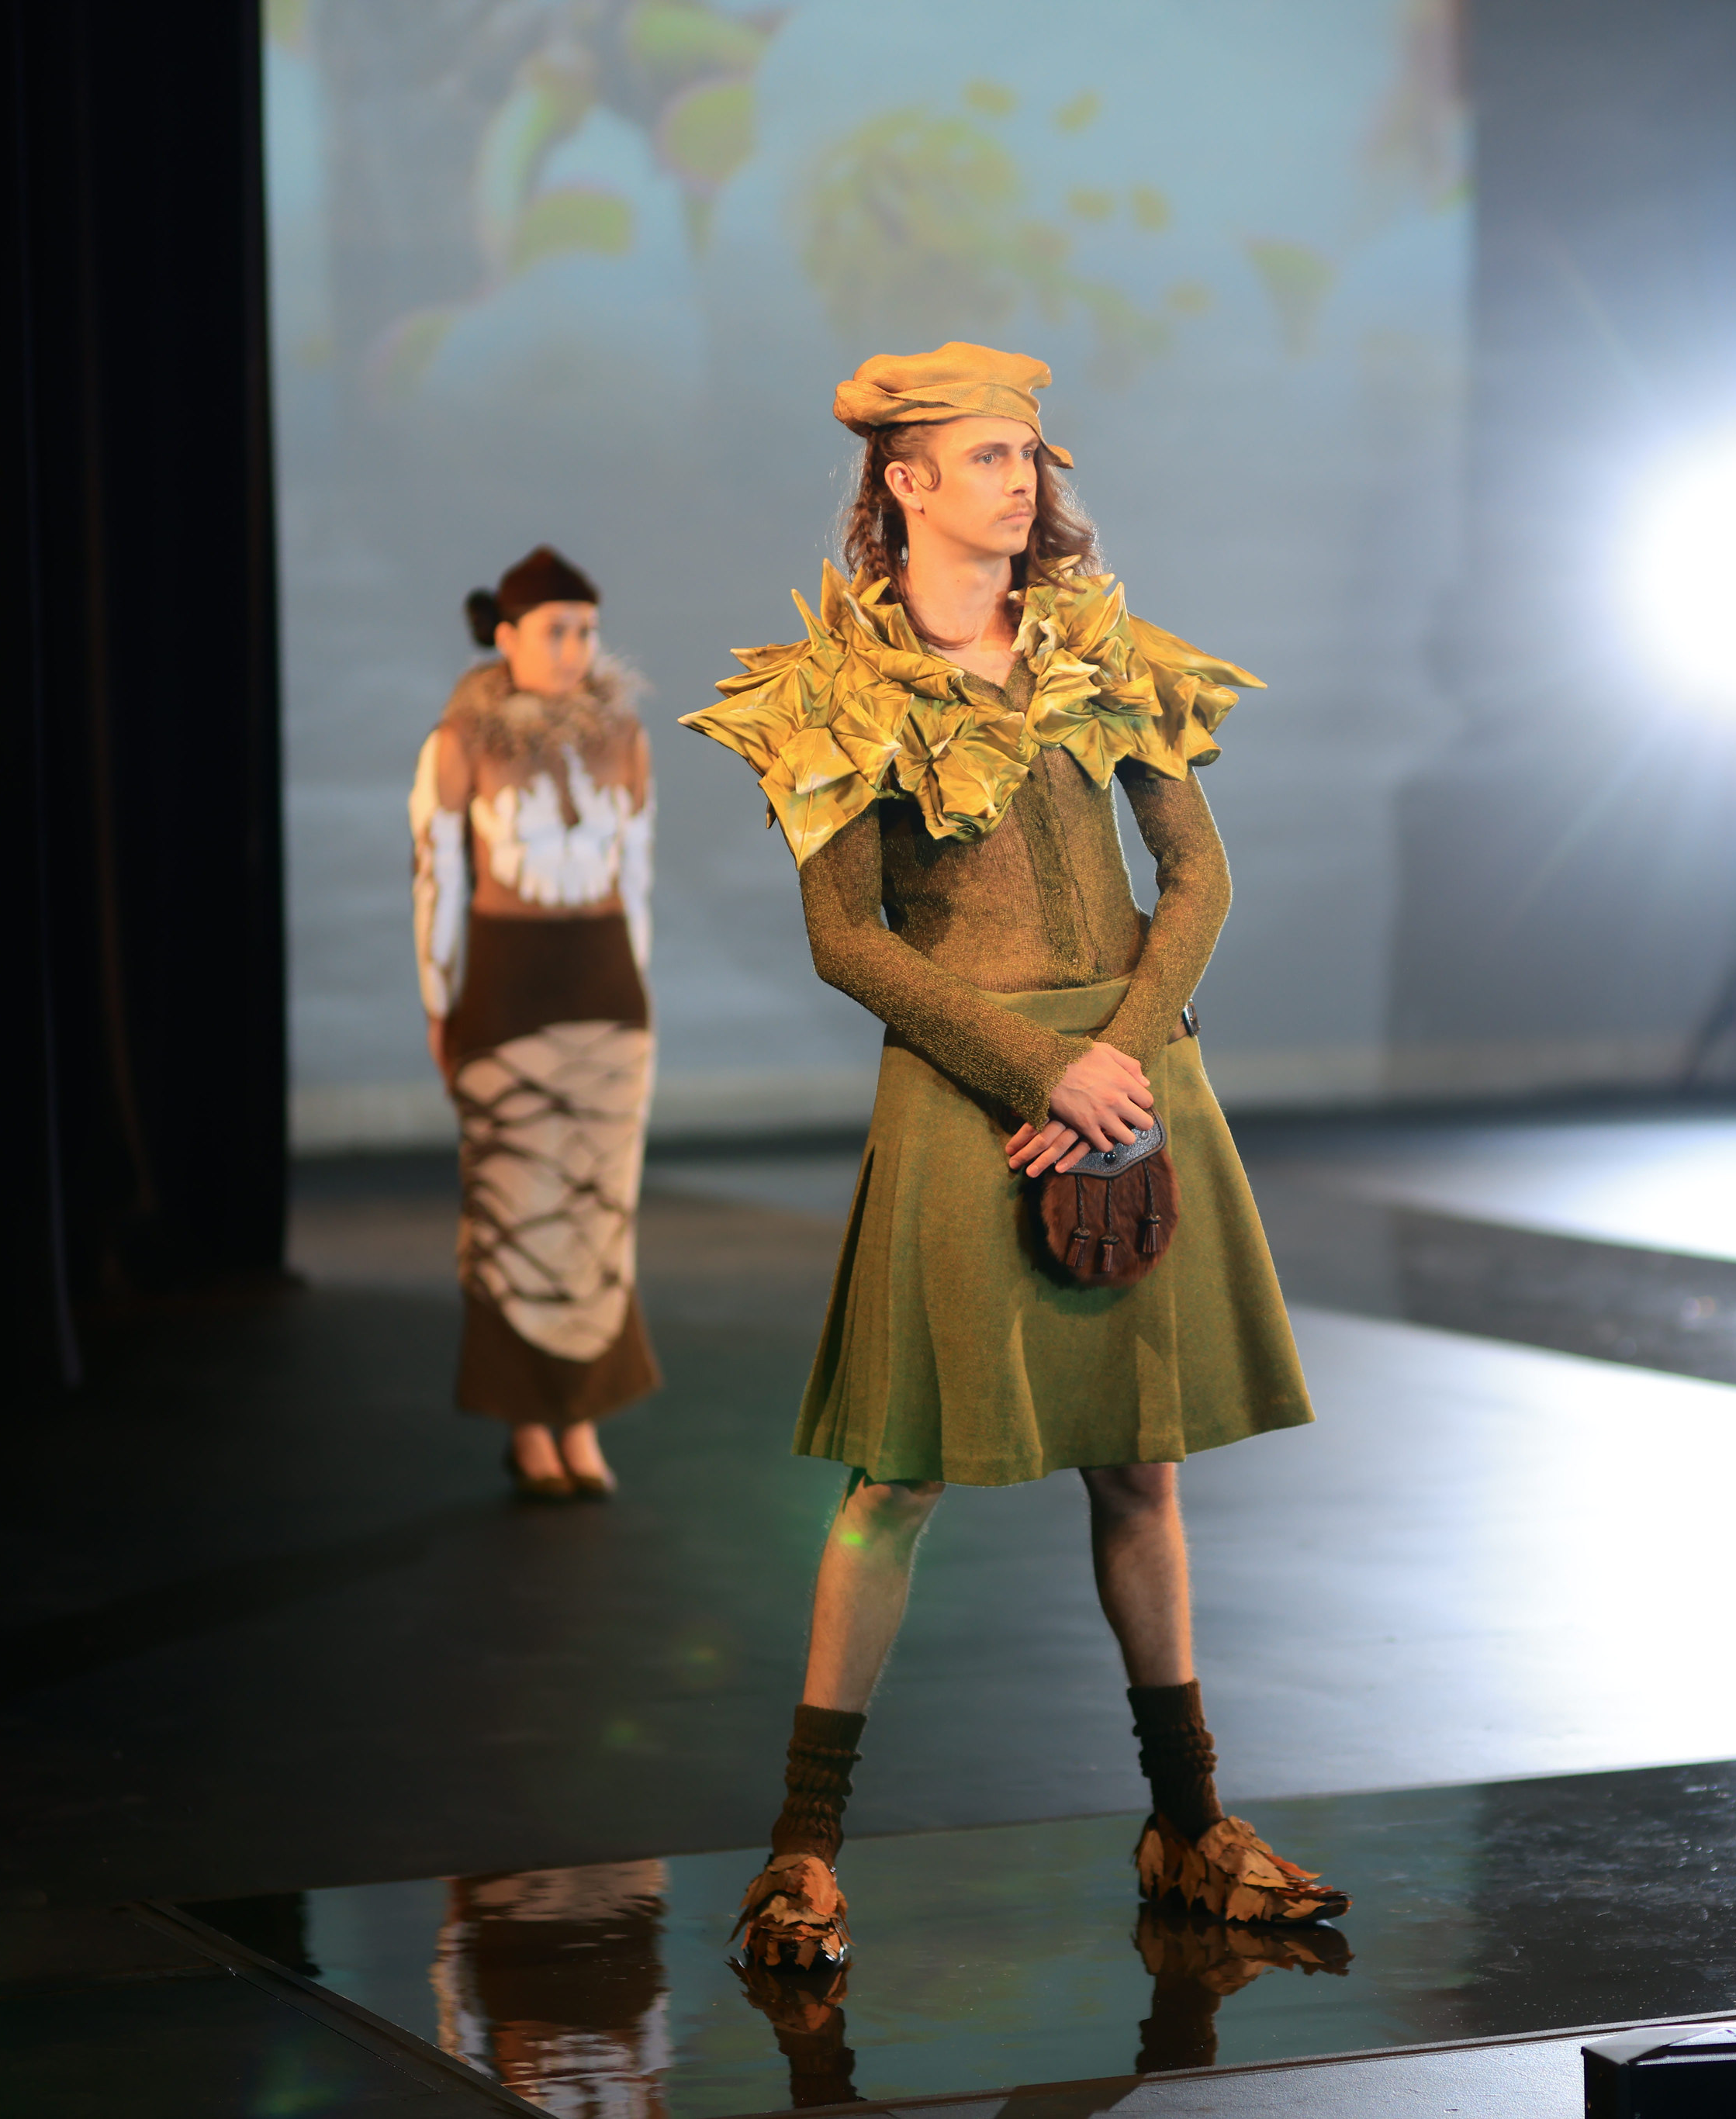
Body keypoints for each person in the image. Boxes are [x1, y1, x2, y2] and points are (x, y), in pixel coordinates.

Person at [681, 344, 1340, 1969]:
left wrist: (1117, 1053)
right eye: (986, 455)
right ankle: (802, 1849)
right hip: (975, 1090)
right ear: (902, 480)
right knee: (896, 1475)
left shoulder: (1098, 647)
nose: (1022, 481)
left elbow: (1195, 877)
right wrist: (1040, 1063)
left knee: (1142, 1463)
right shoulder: (828, 690)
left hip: (1131, 1073)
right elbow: (847, 939)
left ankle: (1188, 1822)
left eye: (1030, 456)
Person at [412, 546, 662, 1500]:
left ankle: (582, 1419)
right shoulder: (460, 742)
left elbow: (635, 880)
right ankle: (529, 1422)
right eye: (555, 629)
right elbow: (435, 881)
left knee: (598, 1211)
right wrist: (440, 1004)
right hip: (508, 992)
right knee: (515, 1210)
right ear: (506, 634)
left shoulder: (624, 738)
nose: (575, 647)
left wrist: (635, 990)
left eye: (587, 631)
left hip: (603, 990)